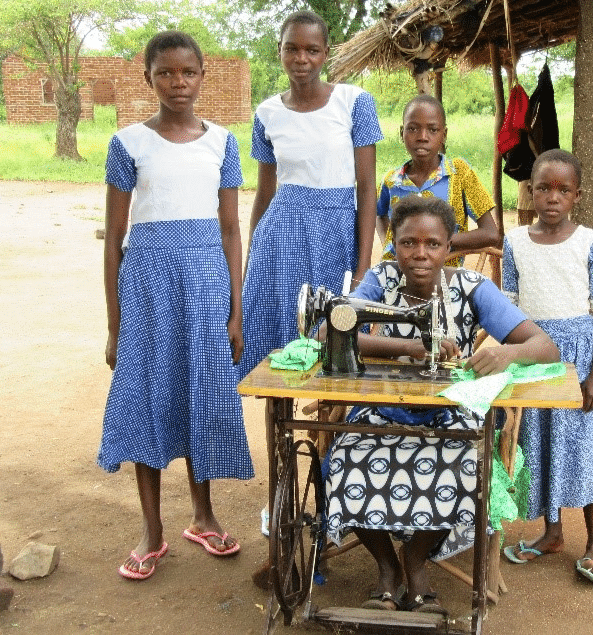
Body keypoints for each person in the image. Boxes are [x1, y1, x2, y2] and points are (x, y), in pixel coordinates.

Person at [324, 196, 560, 612]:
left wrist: (506, 354)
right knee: (343, 458)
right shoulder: (381, 280)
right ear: (393, 244)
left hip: (451, 414)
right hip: (383, 412)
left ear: (449, 246)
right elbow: (334, 331)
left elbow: (545, 346)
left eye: (432, 244)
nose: (419, 254)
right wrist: (409, 347)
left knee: (468, 466)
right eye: (408, 243)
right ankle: (386, 568)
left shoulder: (472, 289)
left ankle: (415, 561)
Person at [99, 31, 254, 581]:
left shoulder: (223, 142)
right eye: (166, 73)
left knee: (204, 397)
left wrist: (236, 312)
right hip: (147, 290)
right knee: (146, 400)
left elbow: (232, 230)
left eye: (188, 72)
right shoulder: (127, 144)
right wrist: (117, 328)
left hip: (207, 287)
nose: (178, 83)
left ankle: (204, 517)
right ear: (148, 78)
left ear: (202, 76)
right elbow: (116, 238)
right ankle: (152, 530)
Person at [500, 149, 593, 586]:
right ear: (531, 191)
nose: (552, 198)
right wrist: (511, 363)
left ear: (577, 195)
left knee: (584, 451)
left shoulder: (590, 241)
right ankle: (552, 533)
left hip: (580, 362)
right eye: (543, 188)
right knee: (543, 448)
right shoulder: (515, 242)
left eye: (563, 190)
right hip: (536, 358)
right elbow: (509, 310)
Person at [239, 10, 383, 378]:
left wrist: (363, 265)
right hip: (280, 238)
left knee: (336, 338)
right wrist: (252, 256)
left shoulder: (354, 103)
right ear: (279, 50)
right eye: (292, 49)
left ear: (326, 52)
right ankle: (283, 431)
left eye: (312, 50)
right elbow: (264, 193)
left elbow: (367, 188)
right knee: (282, 344)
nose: (301, 59)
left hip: (337, 232)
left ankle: (327, 433)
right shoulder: (267, 113)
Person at [376, 94, 499, 267]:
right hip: (395, 277)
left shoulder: (460, 174)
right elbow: (379, 214)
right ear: (401, 132)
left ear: (444, 134)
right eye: (413, 129)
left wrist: (438, 241)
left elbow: (491, 234)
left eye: (432, 130)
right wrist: (389, 243)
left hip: (444, 280)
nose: (422, 137)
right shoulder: (391, 181)